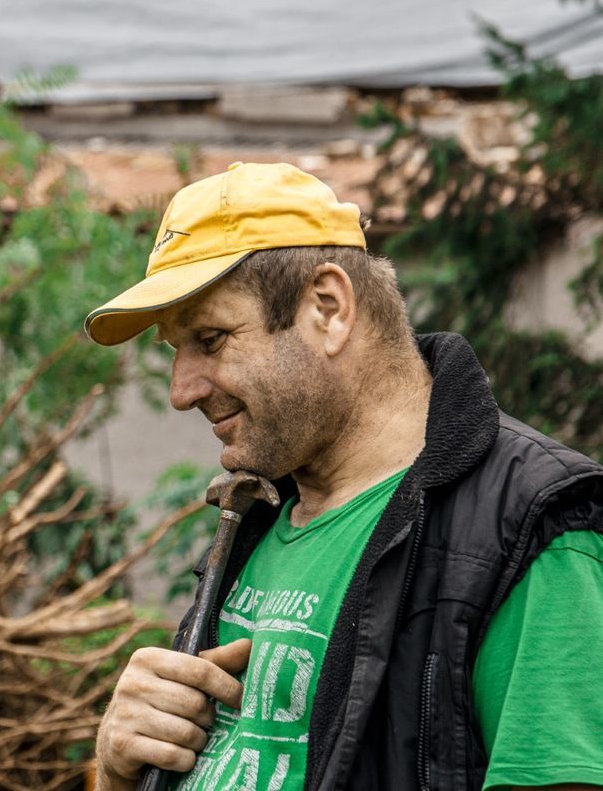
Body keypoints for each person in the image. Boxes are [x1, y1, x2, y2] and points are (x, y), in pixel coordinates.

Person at [83, 162, 603, 791]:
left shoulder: (529, 527)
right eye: (175, 350)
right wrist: (117, 773)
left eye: (211, 339)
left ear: (327, 308)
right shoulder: (259, 515)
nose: (181, 391)